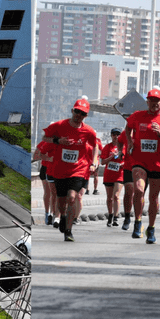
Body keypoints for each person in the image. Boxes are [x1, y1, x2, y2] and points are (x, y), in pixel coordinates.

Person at [40, 98, 100, 243]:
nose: (79, 115)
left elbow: (95, 145)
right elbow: (44, 137)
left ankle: (69, 230)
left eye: (83, 113)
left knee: (72, 197)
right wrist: (58, 141)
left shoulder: (88, 131)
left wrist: (94, 161)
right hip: (60, 169)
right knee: (61, 201)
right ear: (72, 110)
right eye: (77, 111)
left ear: (86, 116)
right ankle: (63, 217)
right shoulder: (59, 125)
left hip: (78, 169)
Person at [124, 89, 160, 243]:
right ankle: (138, 222)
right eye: (151, 100)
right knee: (139, 190)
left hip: (157, 163)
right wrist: (130, 141)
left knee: (153, 198)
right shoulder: (138, 116)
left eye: (157, 100)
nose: (154, 103)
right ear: (147, 102)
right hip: (139, 161)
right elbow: (128, 127)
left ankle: (151, 228)